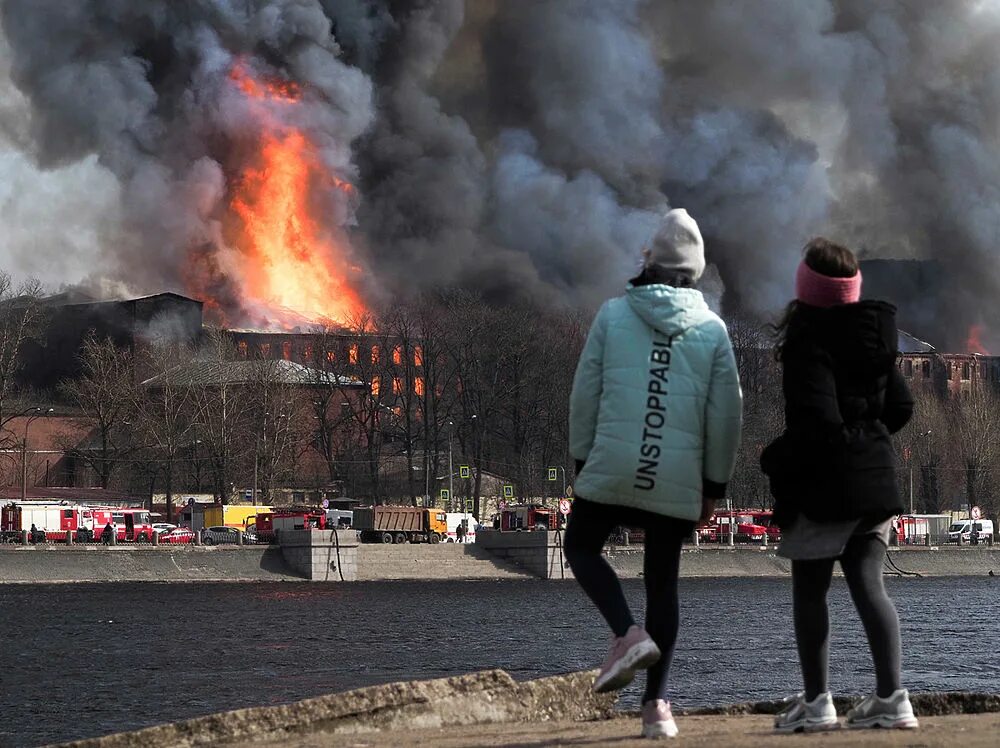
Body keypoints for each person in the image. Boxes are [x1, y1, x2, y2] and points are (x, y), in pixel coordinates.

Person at [566, 208, 743, 739]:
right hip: (677, 479)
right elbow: (727, 415)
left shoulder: (612, 315)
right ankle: (657, 709)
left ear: (649, 261)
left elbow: (584, 398)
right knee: (663, 585)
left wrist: (584, 465)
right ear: (696, 271)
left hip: (613, 468)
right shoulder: (712, 331)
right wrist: (715, 487)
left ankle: (626, 632)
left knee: (580, 546)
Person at [762, 238, 918, 733]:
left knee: (810, 592)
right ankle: (894, 698)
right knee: (871, 587)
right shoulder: (875, 337)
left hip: (823, 488)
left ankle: (816, 703)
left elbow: (817, 426)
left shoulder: (808, 342)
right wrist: (869, 441)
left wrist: (775, 457)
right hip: (874, 483)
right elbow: (901, 407)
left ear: (807, 287)